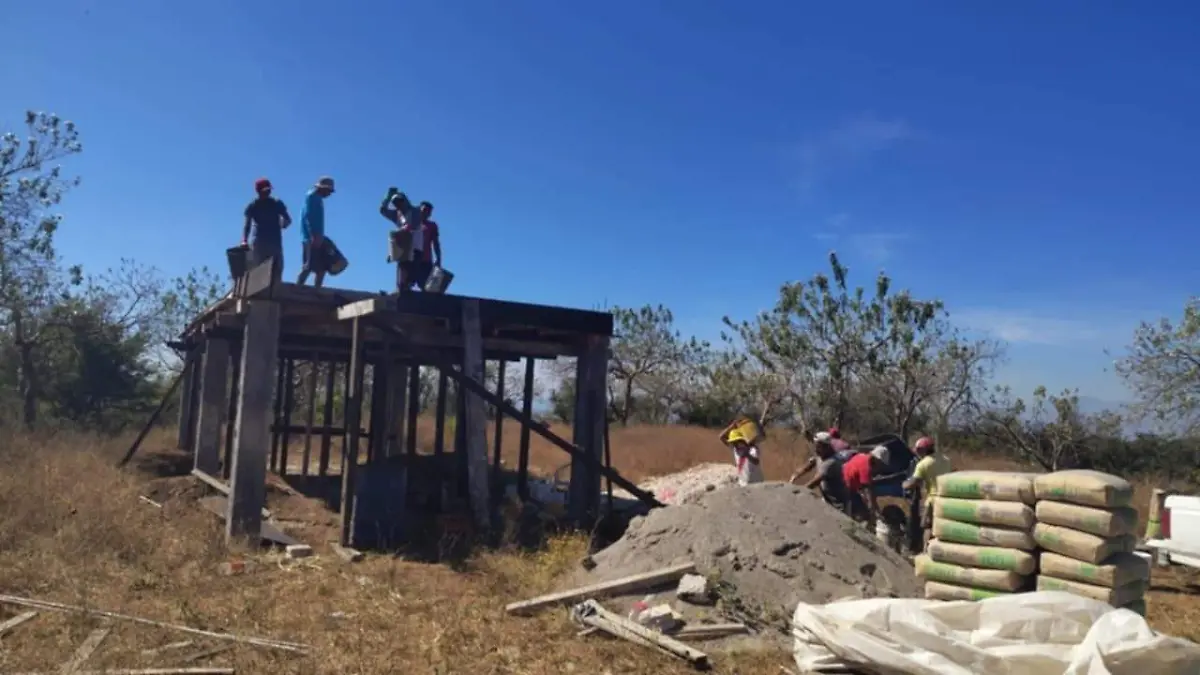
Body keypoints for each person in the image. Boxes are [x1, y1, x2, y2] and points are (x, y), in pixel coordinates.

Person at [903, 436, 953, 549]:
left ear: (923, 450)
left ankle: (926, 551)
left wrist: (904, 484)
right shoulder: (946, 459)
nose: (917, 453)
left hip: (933, 499)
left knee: (927, 526)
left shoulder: (923, 464)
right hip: (947, 498)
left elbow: (914, 483)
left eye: (918, 451)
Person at [240, 178, 292, 282]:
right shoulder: (253, 205)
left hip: (274, 242)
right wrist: (244, 240)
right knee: (256, 269)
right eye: (264, 191)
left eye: (268, 190)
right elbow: (247, 225)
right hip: (259, 242)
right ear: (258, 191)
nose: (267, 192)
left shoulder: (276, 203)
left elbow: (288, 219)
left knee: (277, 269)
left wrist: (283, 225)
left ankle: (274, 293)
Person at [379, 188, 427, 292]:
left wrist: (398, 235)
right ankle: (401, 290)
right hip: (403, 247)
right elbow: (382, 210)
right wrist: (387, 197)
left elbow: (411, 226)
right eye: (395, 203)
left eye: (400, 201)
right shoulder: (397, 214)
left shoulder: (415, 211)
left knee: (413, 274)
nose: (398, 204)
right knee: (402, 274)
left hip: (415, 247)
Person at [297, 176, 336, 288]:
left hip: (318, 236)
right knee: (308, 266)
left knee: (321, 268)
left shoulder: (317, 198)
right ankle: (298, 288)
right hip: (311, 237)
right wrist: (313, 235)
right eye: (329, 191)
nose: (329, 194)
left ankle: (317, 290)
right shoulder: (312, 197)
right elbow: (308, 217)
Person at [841, 445, 891, 524]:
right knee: (861, 513)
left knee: (861, 506)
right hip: (845, 486)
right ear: (876, 459)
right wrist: (873, 511)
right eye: (881, 464)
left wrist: (876, 508)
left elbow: (869, 489)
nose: (881, 467)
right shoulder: (866, 468)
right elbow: (868, 493)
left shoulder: (863, 456)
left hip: (846, 481)